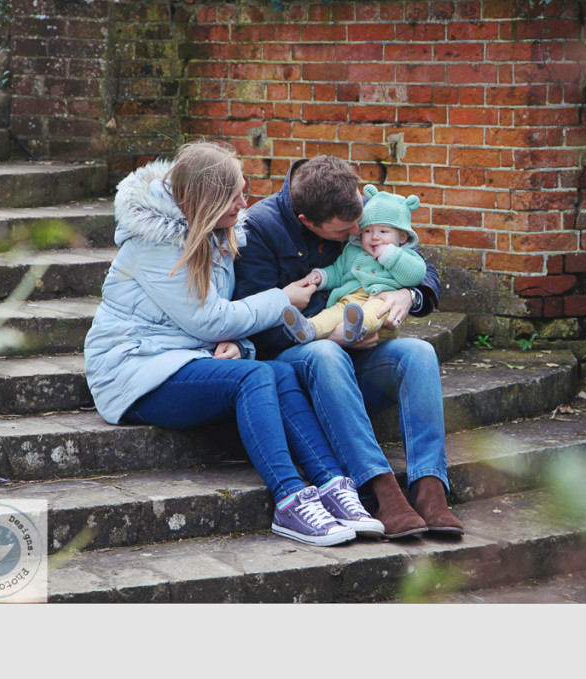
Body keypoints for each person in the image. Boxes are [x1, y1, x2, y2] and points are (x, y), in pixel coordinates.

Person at [83, 141, 385, 546]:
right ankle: (290, 498)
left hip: (183, 357)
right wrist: (282, 300)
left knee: (278, 372)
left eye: (245, 189)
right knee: (254, 378)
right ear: (209, 199)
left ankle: (332, 484)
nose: (247, 201)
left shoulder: (219, 233)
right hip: (133, 371)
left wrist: (242, 346)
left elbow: (221, 317)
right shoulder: (155, 245)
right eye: (237, 194)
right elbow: (208, 319)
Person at [234, 155, 464, 537]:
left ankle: (430, 489)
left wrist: (410, 293)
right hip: (300, 364)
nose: (361, 232)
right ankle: (379, 489)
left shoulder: (347, 202)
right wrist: (330, 334)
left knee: (419, 353)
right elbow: (251, 327)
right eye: (348, 230)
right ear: (308, 222)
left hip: (359, 350)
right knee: (325, 352)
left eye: (362, 221)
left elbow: (420, 265)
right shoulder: (259, 229)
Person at [281, 185, 426, 344]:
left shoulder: (404, 255)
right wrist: (321, 277)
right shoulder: (353, 251)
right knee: (332, 314)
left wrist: (392, 256)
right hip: (349, 300)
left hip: (382, 300)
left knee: (373, 311)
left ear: (403, 237)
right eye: (368, 231)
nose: (374, 237)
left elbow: (416, 275)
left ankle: (358, 328)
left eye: (383, 232)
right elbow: (338, 271)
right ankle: (308, 329)